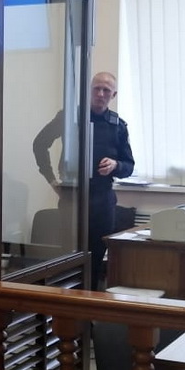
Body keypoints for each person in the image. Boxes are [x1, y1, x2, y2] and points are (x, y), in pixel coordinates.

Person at [32, 72, 135, 290]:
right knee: (68, 261)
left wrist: (116, 165)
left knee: (95, 261)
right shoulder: (70, 117)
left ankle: (89, 307)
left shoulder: (118, 125)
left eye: (106, 90)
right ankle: (67, 308)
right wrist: (51, 179)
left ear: (113, 95)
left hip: (102, 201)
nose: (100, 94)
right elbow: (39, 144)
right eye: (97, 88)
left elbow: (129, 166)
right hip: (72, 197)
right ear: (89, 91)